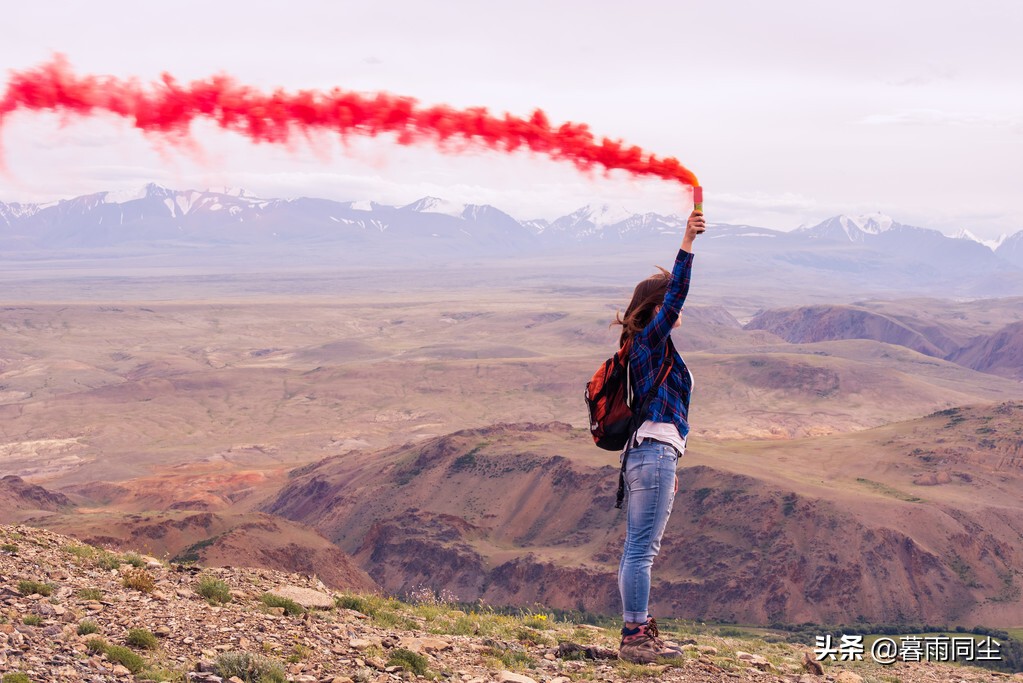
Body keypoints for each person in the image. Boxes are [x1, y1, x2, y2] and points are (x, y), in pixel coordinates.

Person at [612, 207, 705, 663]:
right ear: (657, 309)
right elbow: (678, 293)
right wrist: (687, 242)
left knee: (638, 547)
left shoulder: (646, 345)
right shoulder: (649, 339)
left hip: (650, 455)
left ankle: (637, 627)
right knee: (641, 551)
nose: (679, 309)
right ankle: (634, 636)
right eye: (670, 304)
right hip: (652, 454)